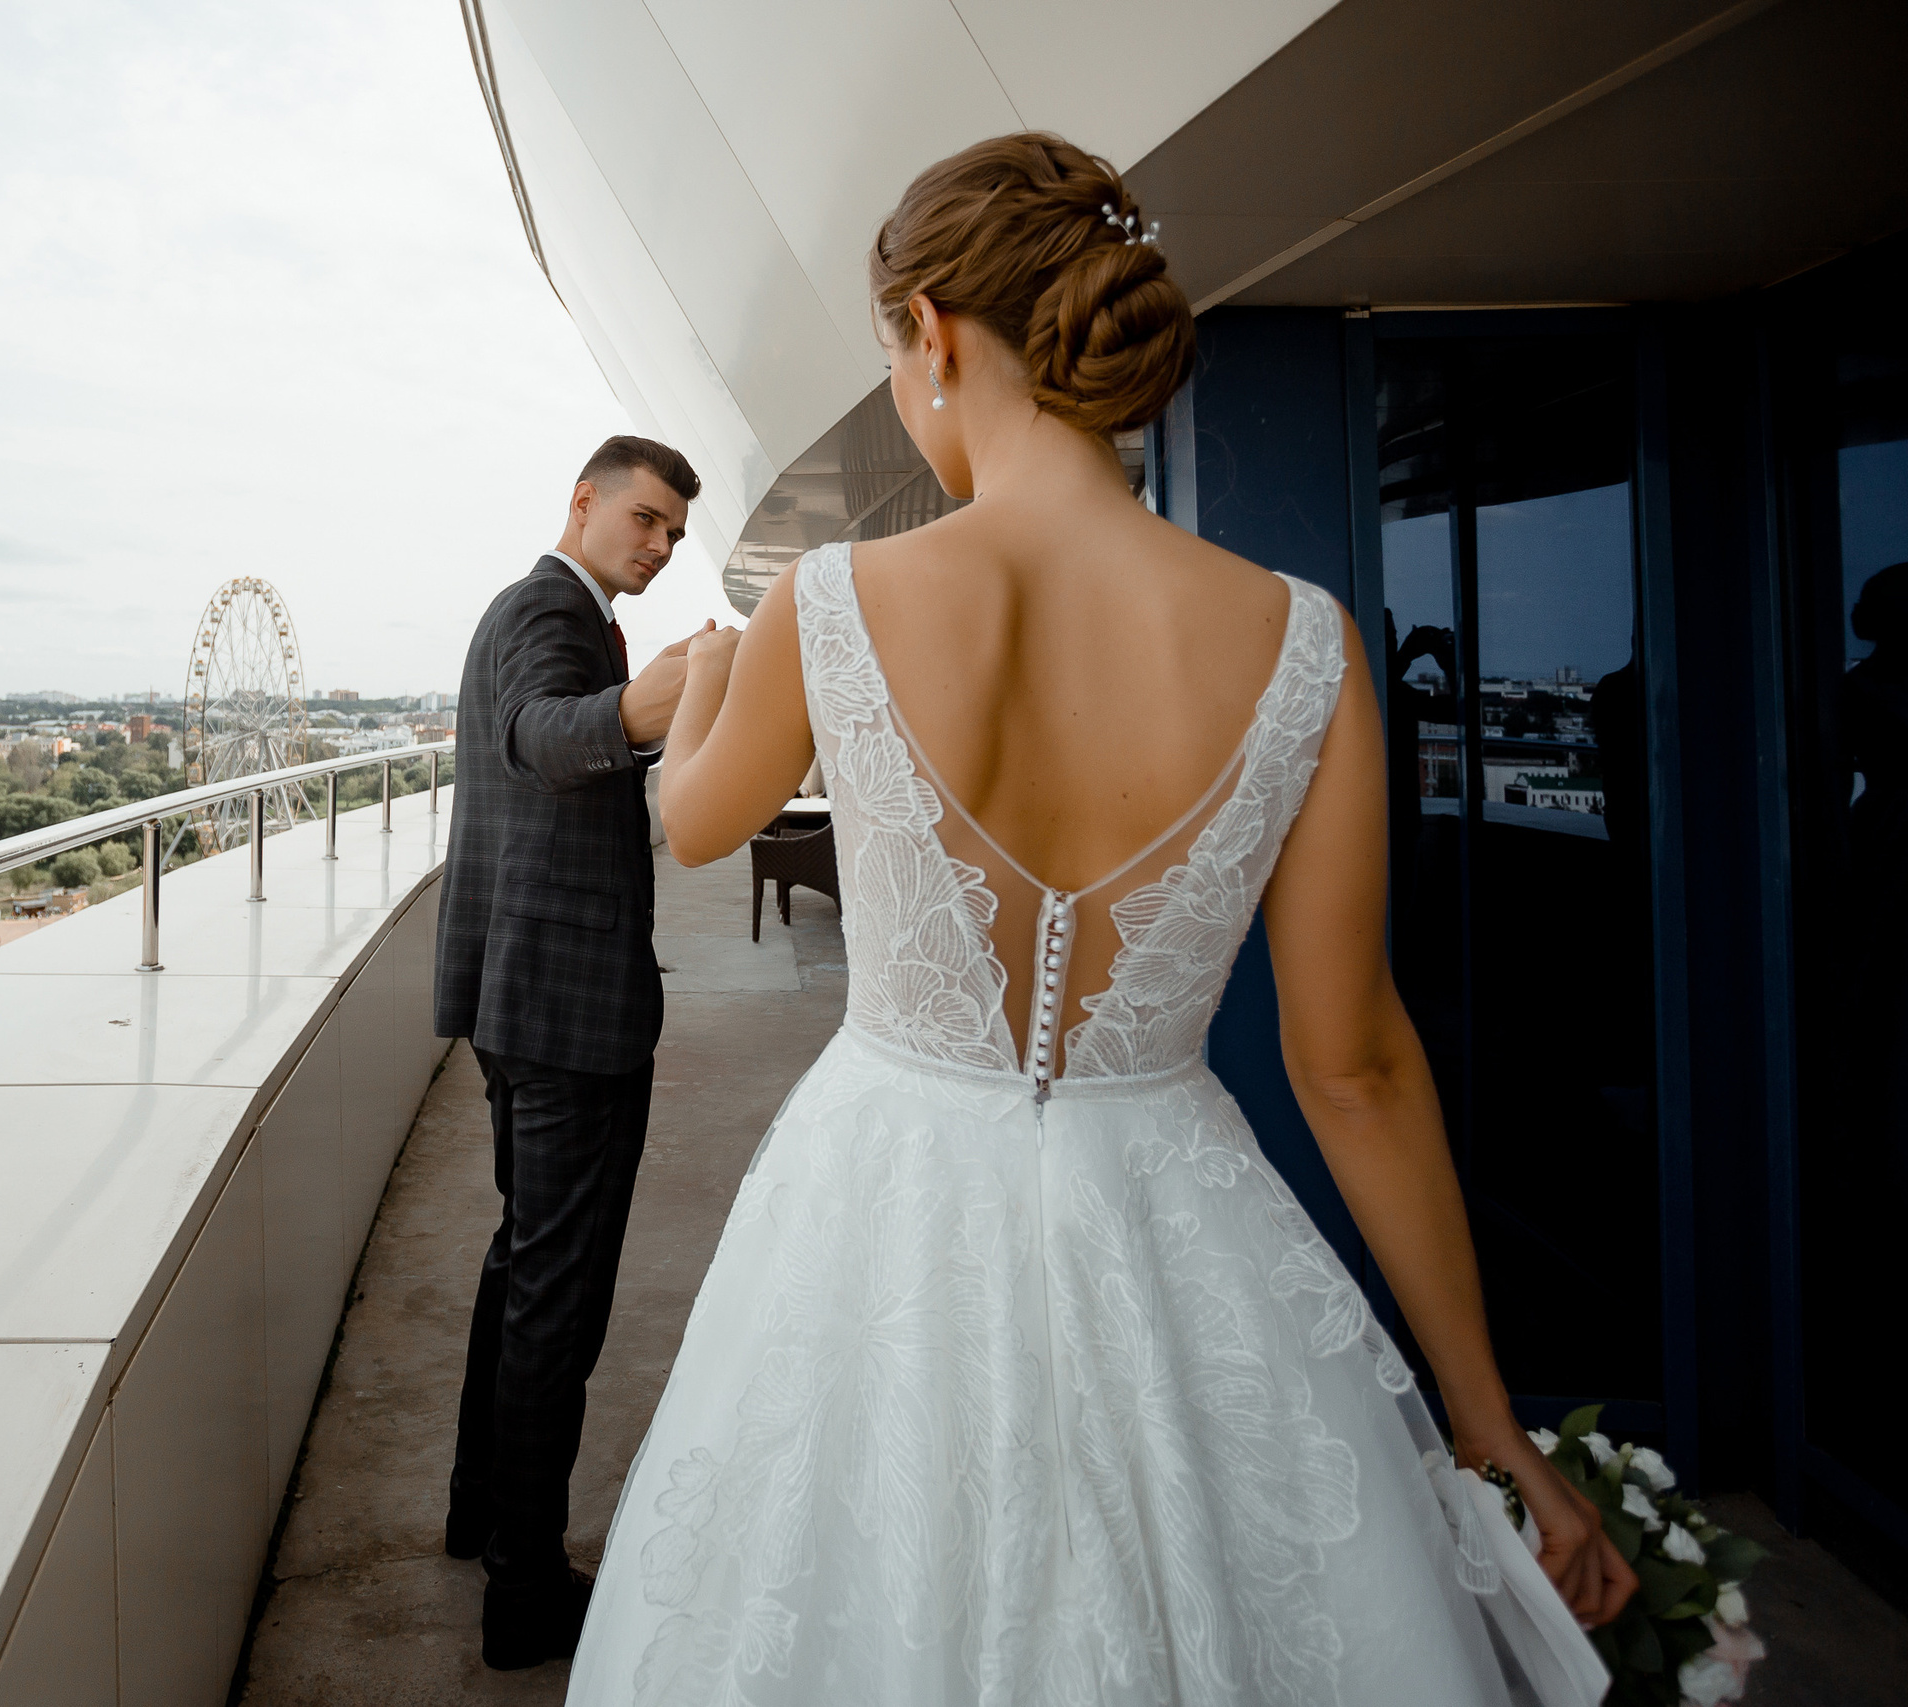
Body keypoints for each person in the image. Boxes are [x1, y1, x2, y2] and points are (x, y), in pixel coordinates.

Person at [567, 135, 1634, 1706]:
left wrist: (711, 675)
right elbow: (1356, 1070)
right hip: (1176, 1216)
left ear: (929, 328)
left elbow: (693, 817)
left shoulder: (837, 602)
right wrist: (1492, 1430)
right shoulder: (1307, 648)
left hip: (881, 1209)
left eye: (893, 356)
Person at [433, 435, 715, 1671]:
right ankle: (524, 1590)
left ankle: (477, 1512)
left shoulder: (543, 607)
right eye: (645, 520)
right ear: (584, 502)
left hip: (519, 1001)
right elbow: (545, 738)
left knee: (521, 1262)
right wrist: (645, 705)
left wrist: (636, 718)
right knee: (560, 1294)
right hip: (568, 1015)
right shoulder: (554, 610)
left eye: (672, 534)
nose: (658, 546)